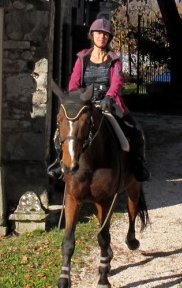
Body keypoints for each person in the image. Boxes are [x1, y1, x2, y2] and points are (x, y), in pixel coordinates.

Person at [48, 18, 151, 182]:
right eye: (98, 33)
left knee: (135, 130)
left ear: (109, 38)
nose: (101, 37)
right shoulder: (82, 58)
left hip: (108, 102)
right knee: (62, 130)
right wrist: (76, 98)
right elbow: (74, 81)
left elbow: (117, 81)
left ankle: (139, 165)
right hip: (84, 103)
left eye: (105, 34)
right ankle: (58, 163)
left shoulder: (114, 59)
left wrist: (109, 97)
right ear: (92, 35)